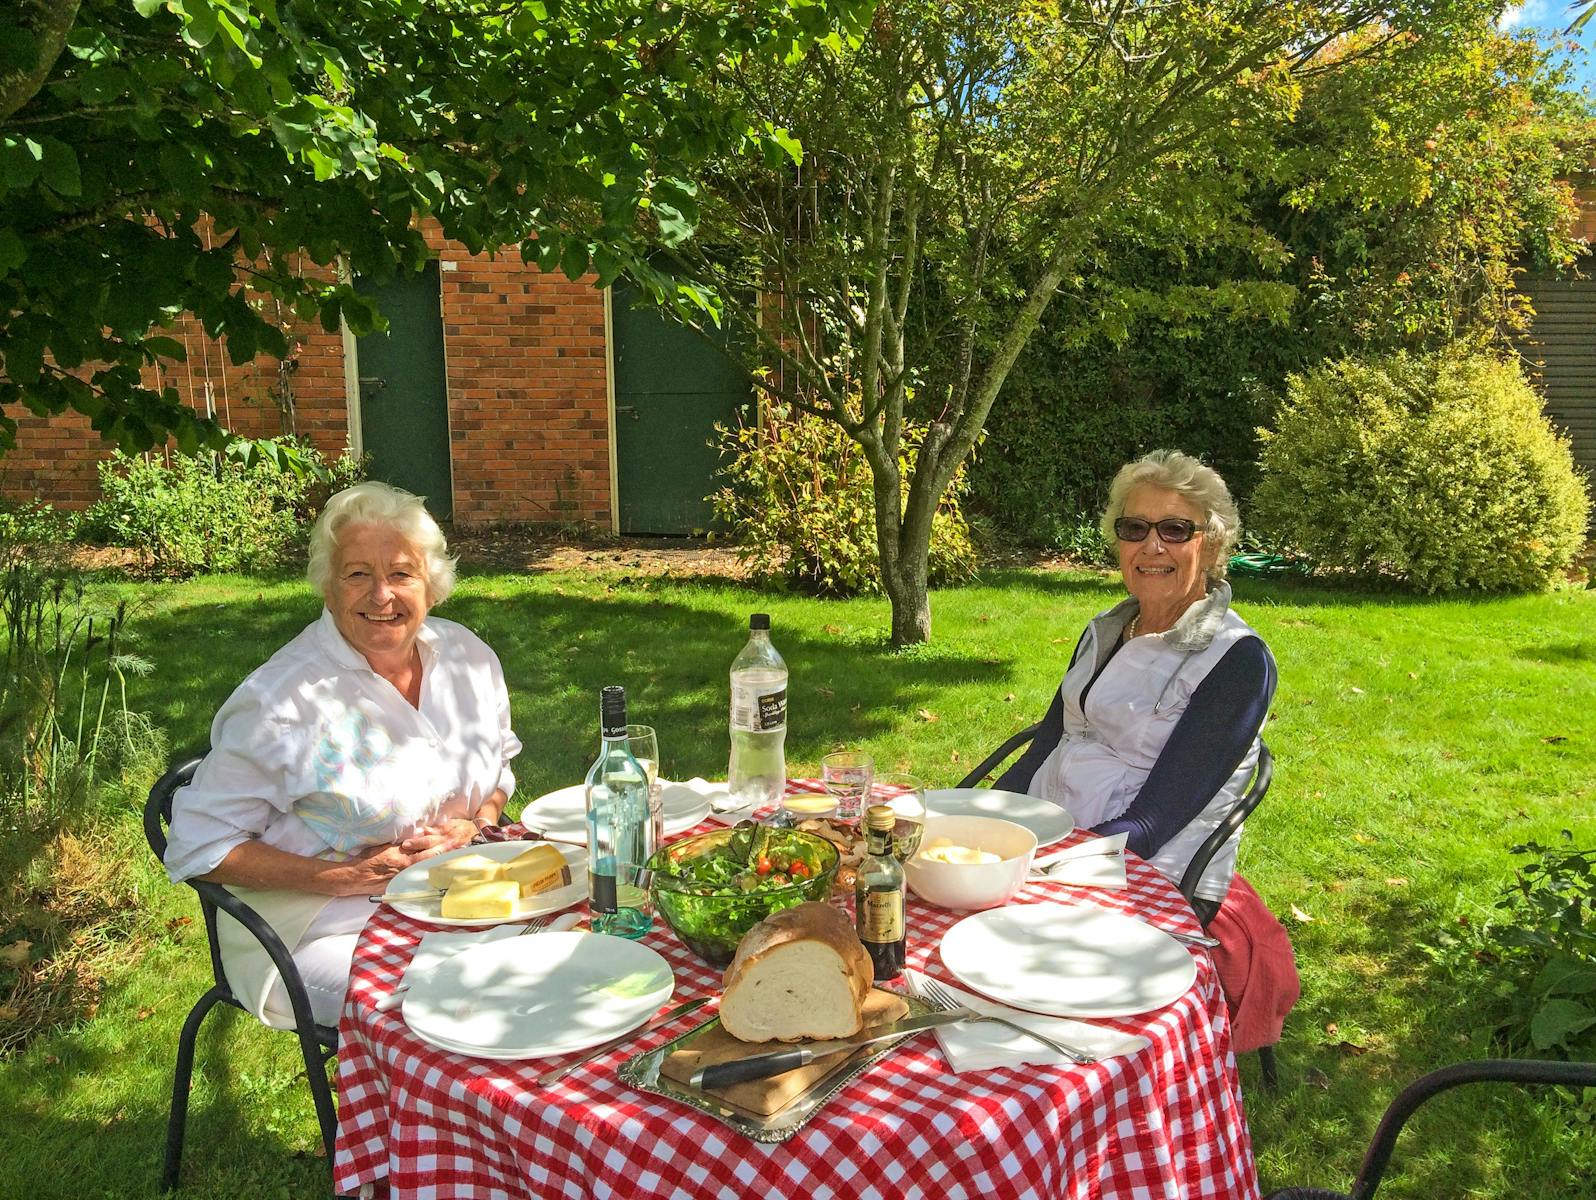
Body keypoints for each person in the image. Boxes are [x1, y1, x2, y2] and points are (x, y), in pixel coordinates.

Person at [163, 481, 521, 1027]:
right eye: (358, 574)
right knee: (470, 1004)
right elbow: (201, 847)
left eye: (401, 573)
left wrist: (476, 823)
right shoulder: (281, 703)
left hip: (455, 898)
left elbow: (499, 766)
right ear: (328, 588)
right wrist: (349, 878)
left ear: (432, 585)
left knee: (571, 954)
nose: (381, 596)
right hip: (315, 928)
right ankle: (400, 1111)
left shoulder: (467, 659)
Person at [997, 450, 1276, 919]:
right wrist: (978, 820)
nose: (1152, 546)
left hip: (1146, 873)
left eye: (1175, 529)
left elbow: (1152, 823)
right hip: (1050, 840)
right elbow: (1046, 746)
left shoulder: (1237, 661)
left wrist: (1044, 868)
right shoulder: (1104, 630)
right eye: (1135, 529)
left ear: (1210, 545)